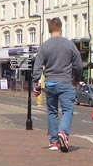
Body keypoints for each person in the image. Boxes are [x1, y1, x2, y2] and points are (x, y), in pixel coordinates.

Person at [32, 17, 83, 153]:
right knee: (67, 110)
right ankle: (63, 133)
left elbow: (37, 67)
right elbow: (78, 64)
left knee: (52, 112)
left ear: (49, 30)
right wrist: (77, 79)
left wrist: (36, 84)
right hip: (65, 82)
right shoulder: (69, 44)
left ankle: (54, 142)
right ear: (61, 28)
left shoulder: (45, 46)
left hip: (50, 83)